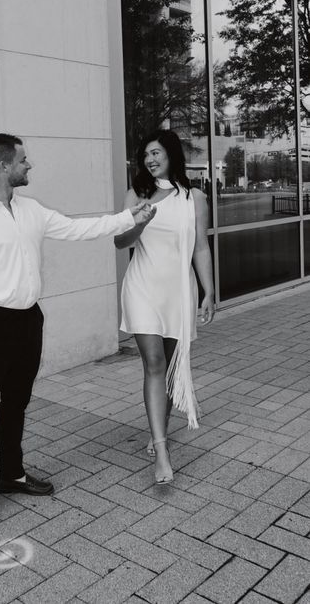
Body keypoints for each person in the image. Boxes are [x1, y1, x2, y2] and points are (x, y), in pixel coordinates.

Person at [0, 133, 156, 544]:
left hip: (29, 321)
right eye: (24, 161)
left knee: (17, 404)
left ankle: (10, 474)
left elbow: (79, 228)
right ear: (4, 166)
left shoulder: (30, 210)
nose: (30, 166)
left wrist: (129, 218)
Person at [115, 130, 214, 485]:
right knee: (154, 363)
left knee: (170, 366)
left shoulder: (194, 197)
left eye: (156, 153)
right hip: (142, 287)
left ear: (171, 154)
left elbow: (200, 246)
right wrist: (138, 222)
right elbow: (119, 242)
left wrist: (208, 290)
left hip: (177, 291)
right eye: (145, 155)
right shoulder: (136, 195)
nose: (150, 160)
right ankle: (161, 450)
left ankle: (159, 431)